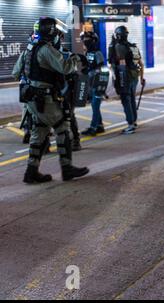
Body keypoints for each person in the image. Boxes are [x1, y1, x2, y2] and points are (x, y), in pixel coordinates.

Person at [12, 17, 89, 183]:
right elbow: (65, 67)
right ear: (51, 31)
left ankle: (31, 171)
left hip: (31, 99)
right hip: (44, 98)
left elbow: (15, 73)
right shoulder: (46, 49)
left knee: (38, 132)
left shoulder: (29, 49)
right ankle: (67, 169)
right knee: (63, 128)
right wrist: (77, 59)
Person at [109, 26, 146, 135]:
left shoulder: (118, 47)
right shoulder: (133, 47)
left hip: (124, 76)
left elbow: (113, 63)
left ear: (119, 35)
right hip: (134, 77)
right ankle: (134, 121)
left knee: (126, 100)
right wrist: (142, 77)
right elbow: (141, 64)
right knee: (131, 99)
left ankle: (130, 125)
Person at [80, 31, 106, 137]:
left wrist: (91, 73)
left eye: (87, 40)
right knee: (94, 105)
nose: (85, 42)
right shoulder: (88, 53)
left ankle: (93, 127)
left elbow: (101, 68)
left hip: (97, 82)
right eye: (84, 40)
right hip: (90, 82)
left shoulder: (97, 53)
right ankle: (99, 125)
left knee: (95, 105)